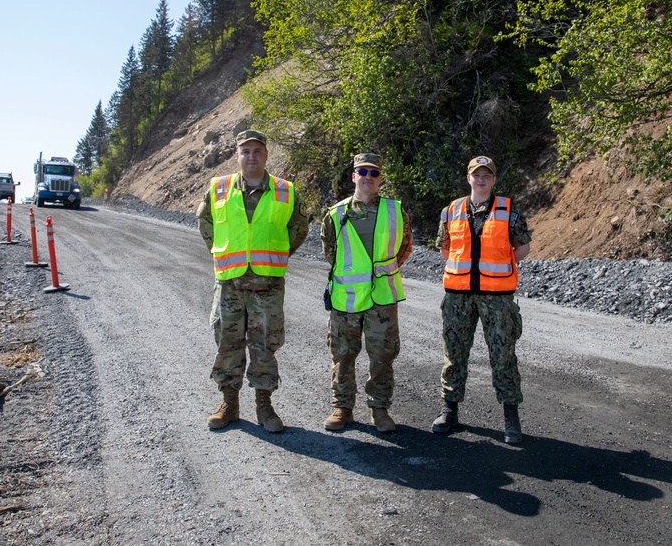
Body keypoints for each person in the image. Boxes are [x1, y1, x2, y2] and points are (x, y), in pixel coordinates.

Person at [197, 129, 308, 433]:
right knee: (227, 343)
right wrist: (220, 253)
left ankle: (264, 405)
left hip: (267, 286)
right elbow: (205, 222)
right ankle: (229, 404)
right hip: (229, 283)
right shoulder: (219, 188)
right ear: (237, 155)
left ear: (266, 155)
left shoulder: (285, 191)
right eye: (245, 151)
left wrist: (277, 255)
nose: (251, 156)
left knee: (264, 344)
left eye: (257, 151)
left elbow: (299, 228)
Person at [431, 156, 532, 444]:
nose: (481, 179)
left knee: (503, 357)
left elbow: (522, 248)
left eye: (487, 175)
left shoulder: (510, 210)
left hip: (497, 298)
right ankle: (449, 411)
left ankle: (511, 418)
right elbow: (445, 248)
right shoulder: (451, 211)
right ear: (468, 178)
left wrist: (498, 264)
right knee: (454, 354)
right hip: (458, 297)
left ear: (494, 180)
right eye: (477, 174)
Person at [321, 153, 413, 432]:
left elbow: (405, 246)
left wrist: (385, 269)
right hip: (345, 298)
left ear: (381, 178)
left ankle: (379, 409)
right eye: (363, 172)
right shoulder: (335, 214)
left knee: (382, 356)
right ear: (353, 176)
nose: (368, 178)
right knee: (343, 355)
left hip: (382, 299)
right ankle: (342, 408)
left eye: (374, 173)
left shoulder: (394, 210)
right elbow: (330, 253)